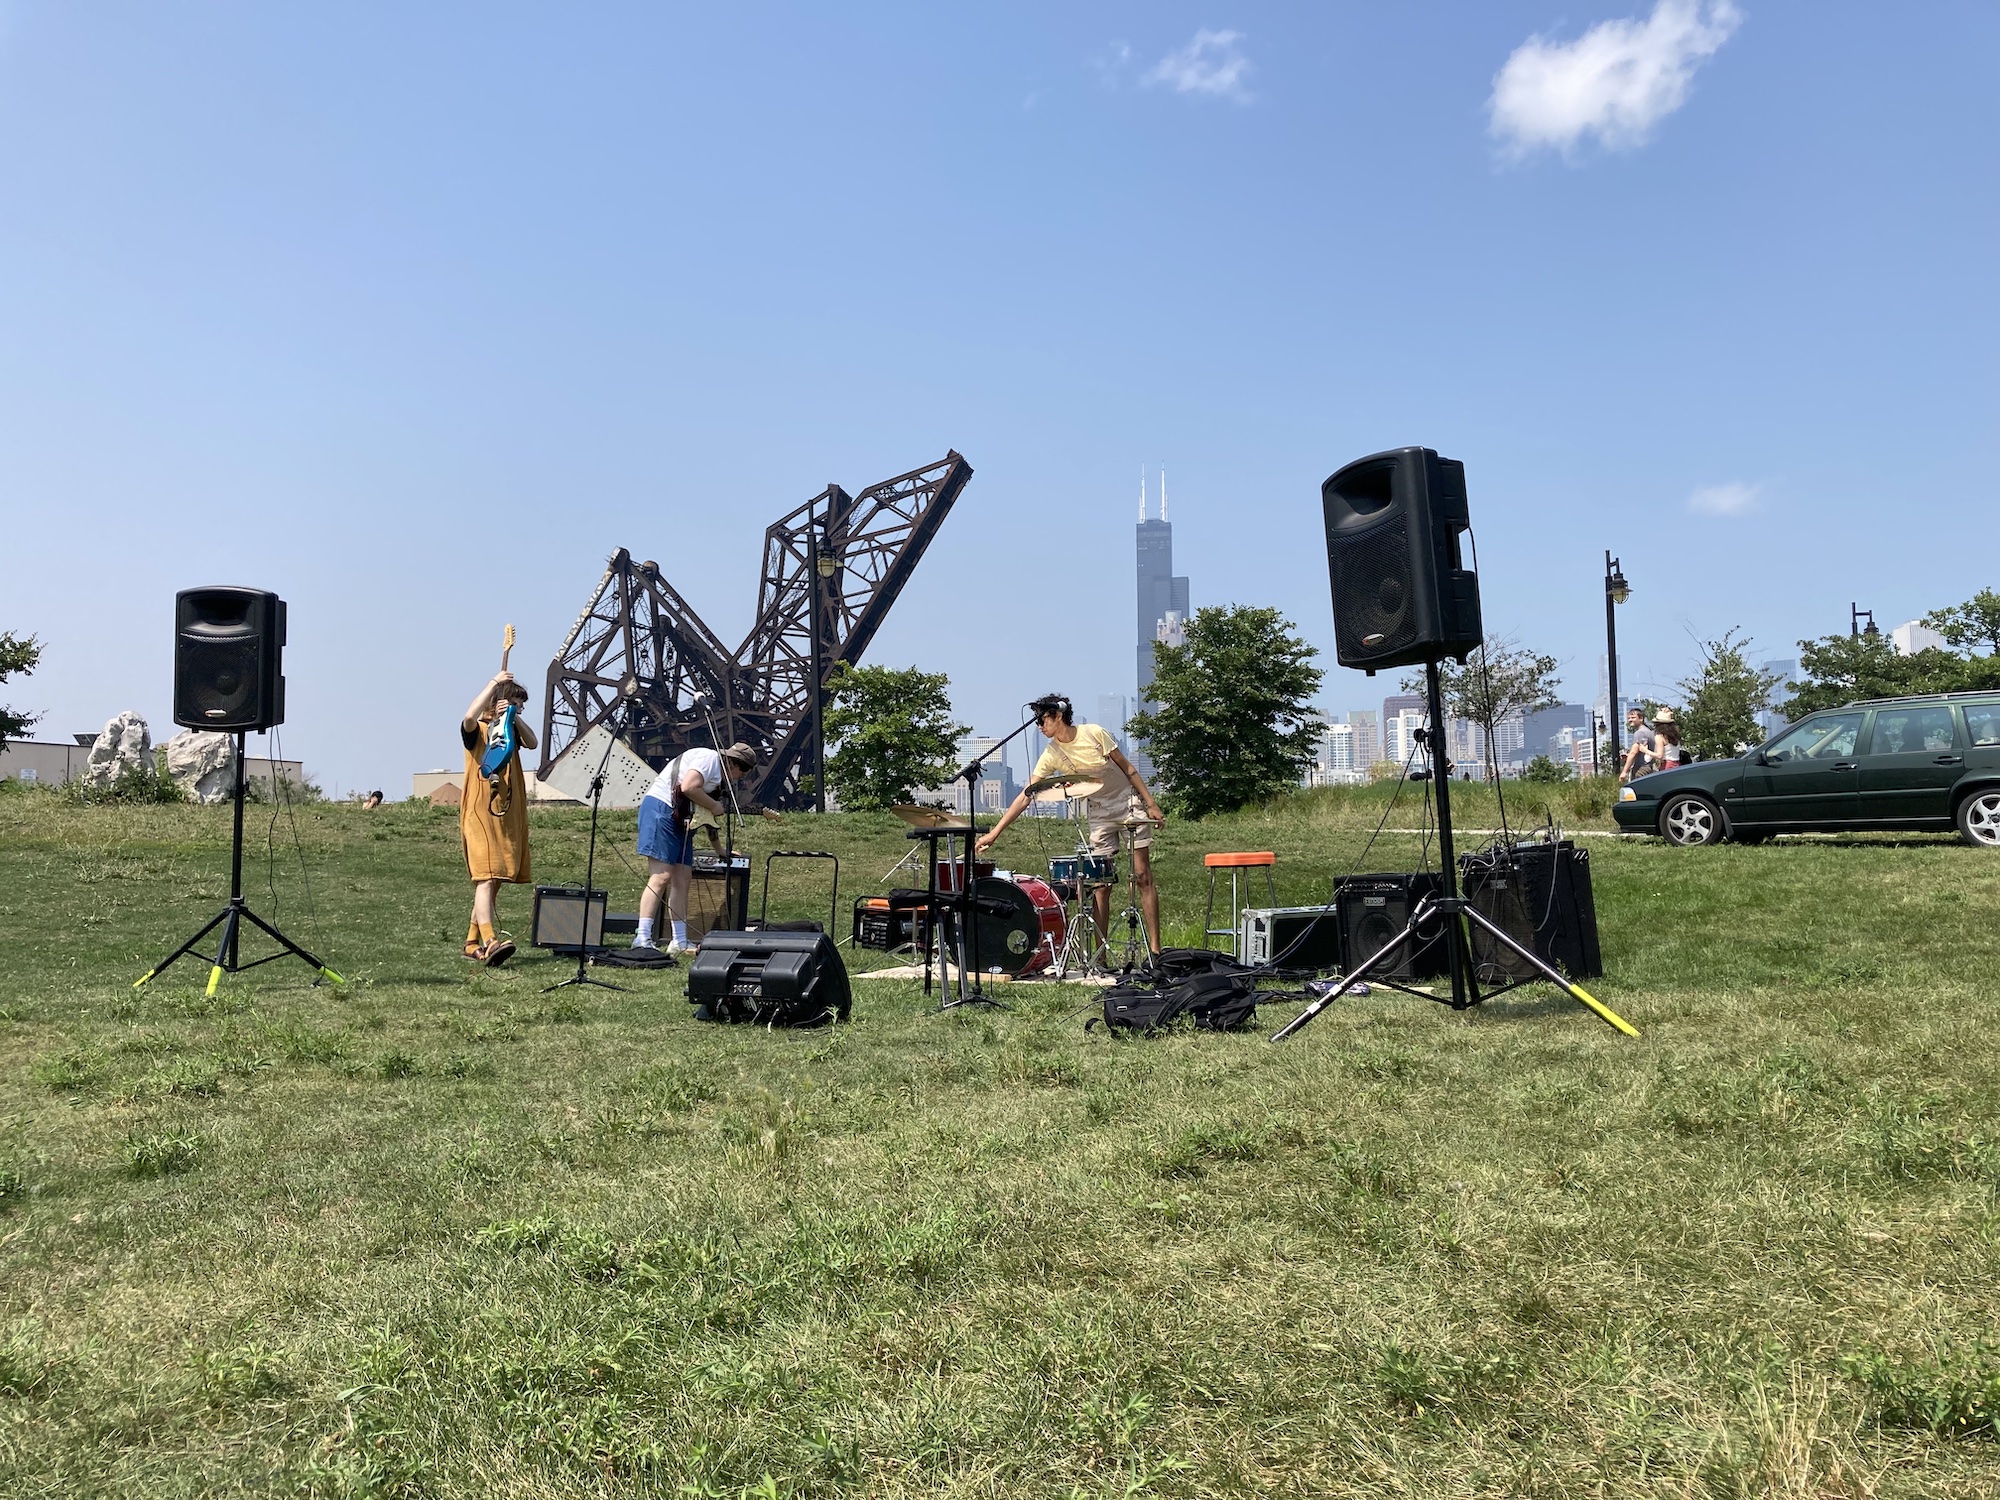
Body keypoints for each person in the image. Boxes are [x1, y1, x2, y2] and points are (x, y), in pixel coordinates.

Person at [976, 694, 1166, 959]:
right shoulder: (1052, 753)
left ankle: (1155, 950)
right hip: (1098, 813)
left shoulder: (1094, 733)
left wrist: (1151, 805)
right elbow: (1027, 794)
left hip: (1127, 804)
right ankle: (1099, 956)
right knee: (1101, 884)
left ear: (1059, 715)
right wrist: (995, 833)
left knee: (1143, 876)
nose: (1039, 727)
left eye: (1042, 720)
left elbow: (1129, 769)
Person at [634, 741, 760, 955]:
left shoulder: (716, 780)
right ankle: (642, 937)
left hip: (682, 819)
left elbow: (707, 817)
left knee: (683, 877)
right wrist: (713, 805)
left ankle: (679, 941)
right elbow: (689, 787)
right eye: (742, 773)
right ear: (735, 765)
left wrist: (720, 849)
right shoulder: (708, 759)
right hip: (662, 809)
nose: (739, 779)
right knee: (661, 876)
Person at [459, 671, 537, 966]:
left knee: (495, 878)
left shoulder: (508, 731)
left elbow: (533, 743)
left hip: (506, 810)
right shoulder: (477, 730)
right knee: (486, 875)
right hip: (481, 810)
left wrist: (514, 717)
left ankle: (470, 942)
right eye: (517, 702)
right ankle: (490, 940)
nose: (521, 707)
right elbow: (468, 717)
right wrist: (493, 684)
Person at [1618, 707, 1658, 782]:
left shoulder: (1640, 733)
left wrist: (1624, 771)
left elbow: (1634, 752)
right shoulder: (1649, 732)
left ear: (1641, 718)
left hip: (1641, 769)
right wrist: (1628, 757)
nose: (1630, 720)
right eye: (1629, 718)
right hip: (1649, 767)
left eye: (1633, 717)